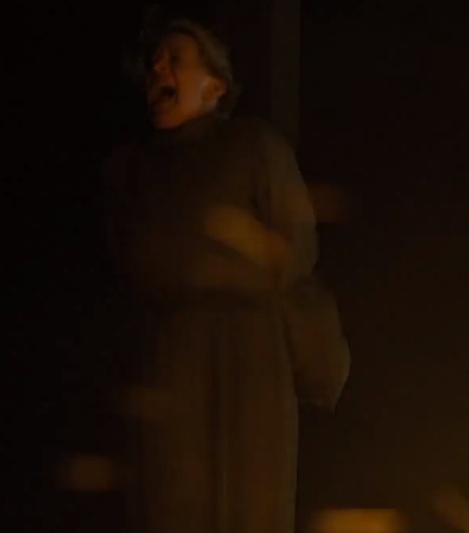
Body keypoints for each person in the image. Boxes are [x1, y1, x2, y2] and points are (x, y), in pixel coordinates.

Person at [102, 19, 346, 533]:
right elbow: (129, 260)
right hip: (172, 353)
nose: (158, 69)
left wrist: (248, 246)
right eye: (154, 63)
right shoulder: (133, 168)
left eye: (175, 59)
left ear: (214, 87)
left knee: (250, 497)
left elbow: (296, 249)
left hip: (251, 352)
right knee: (173, 497)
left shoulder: (253, 145)